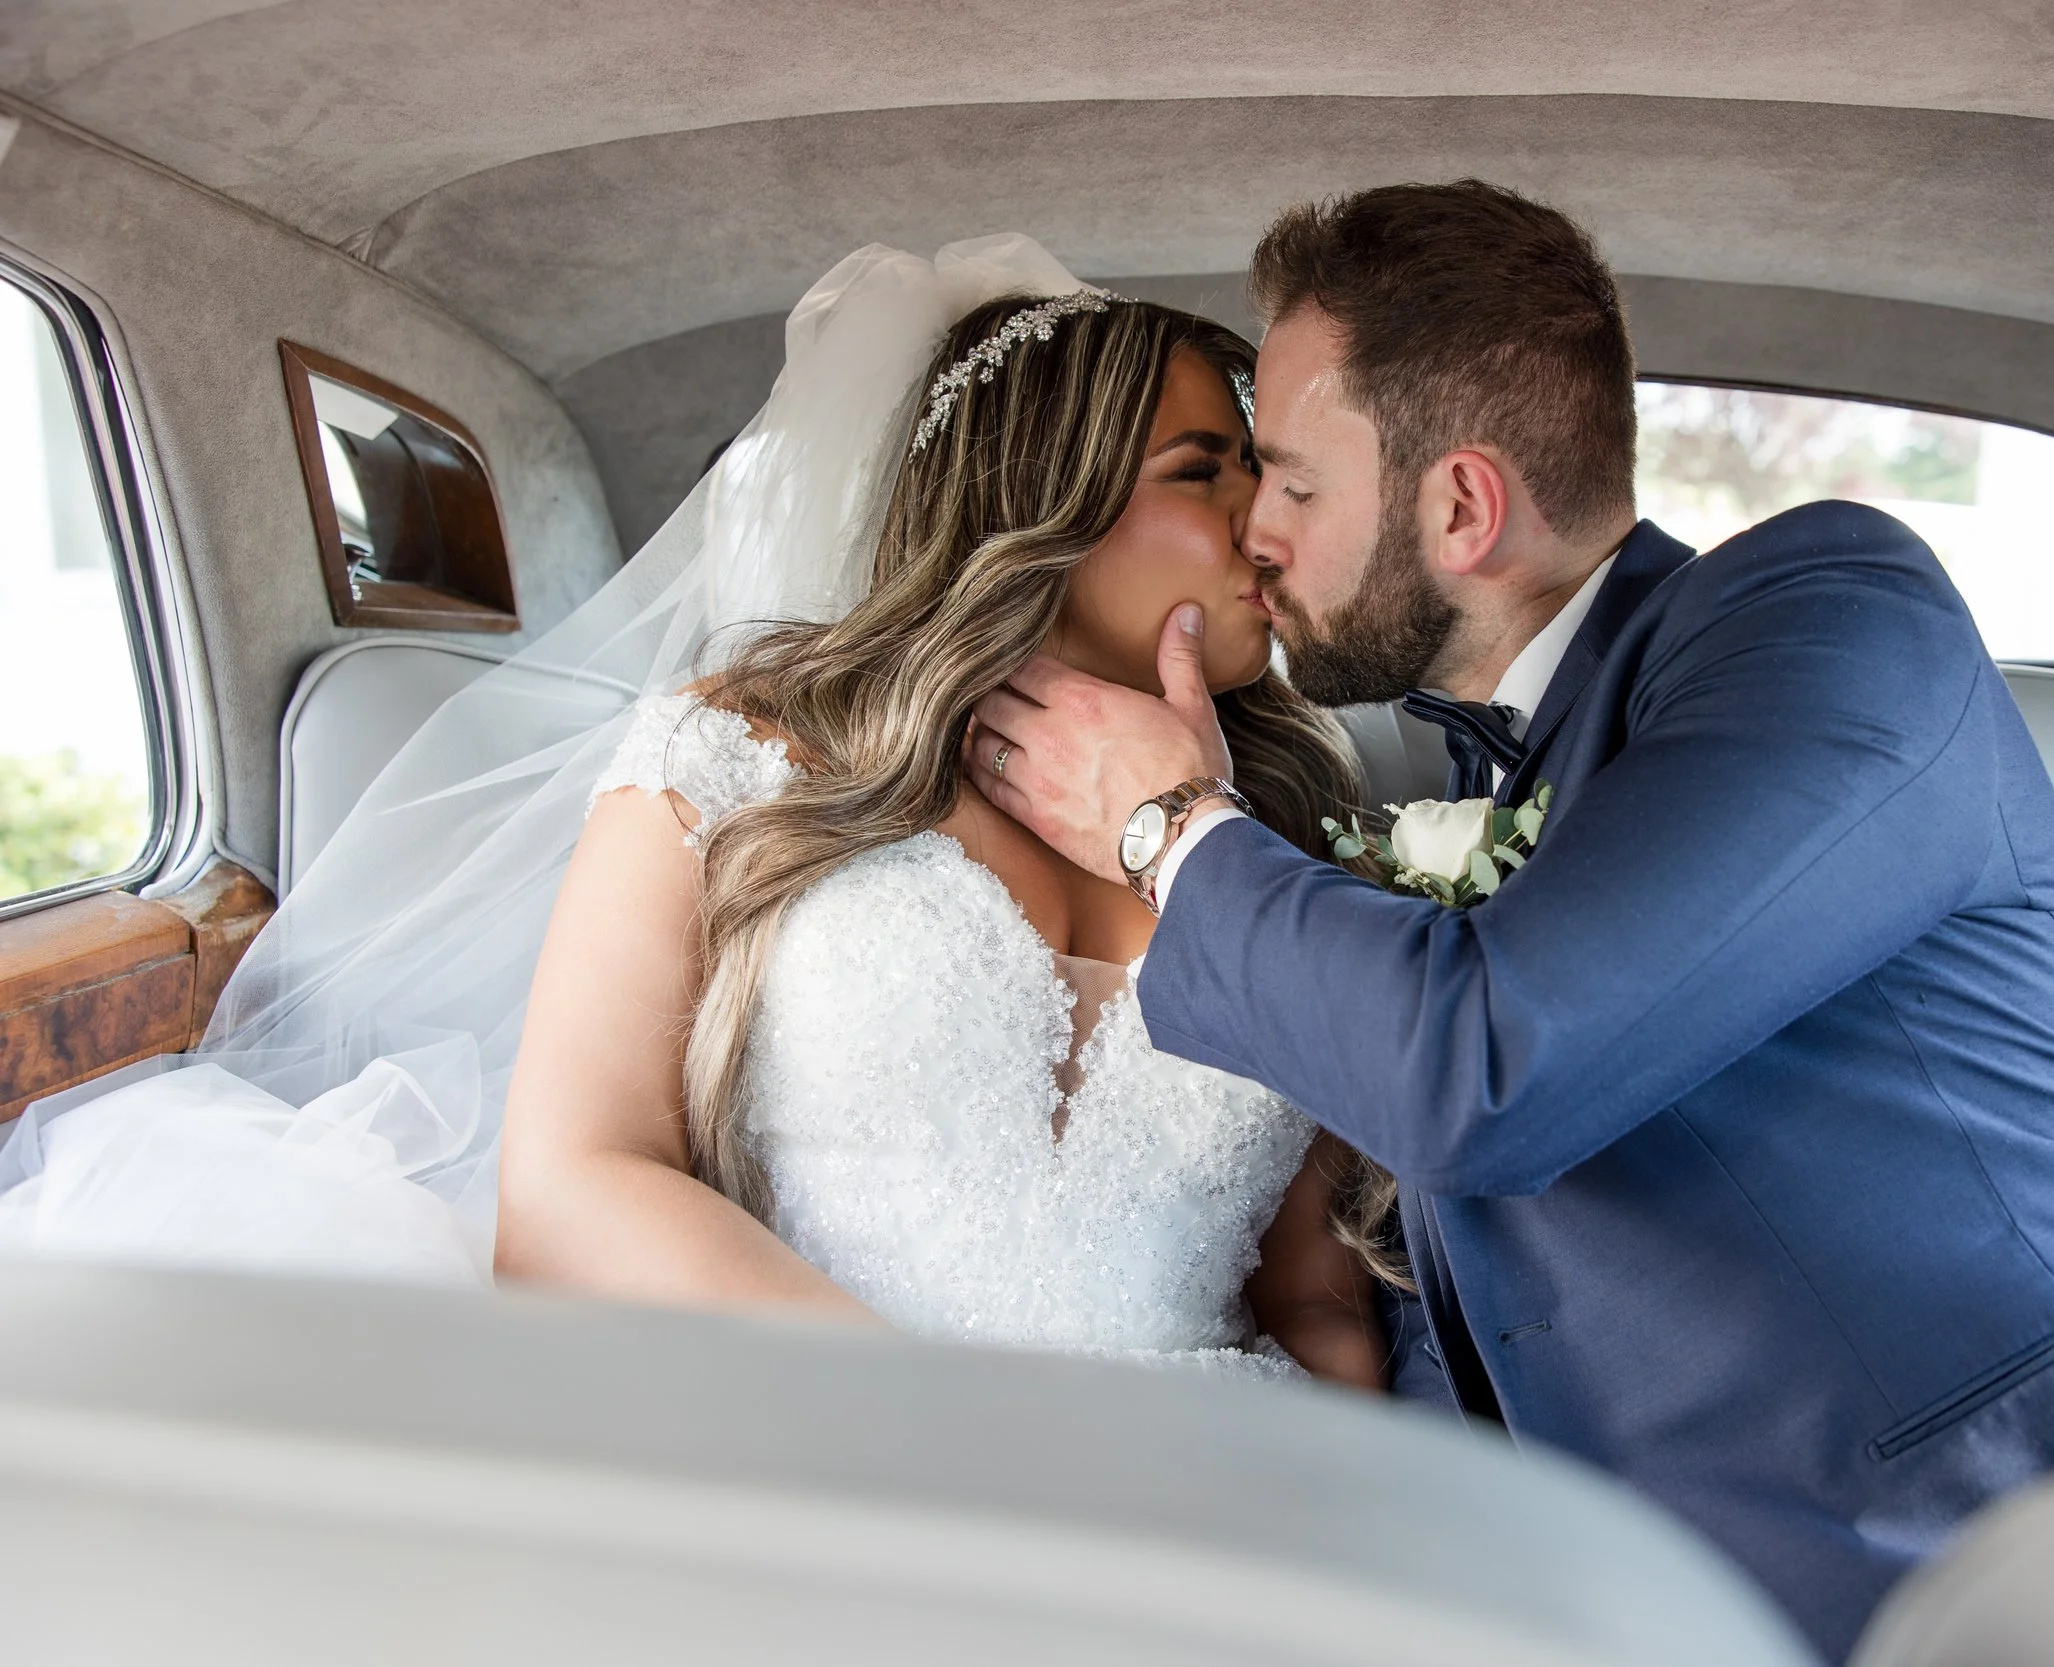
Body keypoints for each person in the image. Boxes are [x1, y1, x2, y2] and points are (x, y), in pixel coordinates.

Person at [964, 182, 2054, 1659]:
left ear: (1460, 506)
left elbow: (1488, 1067)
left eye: (1292, 482)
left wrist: (1168, 830)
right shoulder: (1449, 775)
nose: (1254, 532)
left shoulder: (1835, 621)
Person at [0, 238, 1382, 1389]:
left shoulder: (1289, 843)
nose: (1268, 519)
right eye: (1206, 469)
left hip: (1217, 1497)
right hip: (822, 1454)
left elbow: (1315, 1300)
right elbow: (569, 1190)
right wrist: (953, 1442)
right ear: (1039, 504)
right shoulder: (744, 754)